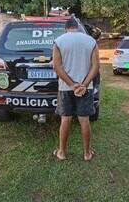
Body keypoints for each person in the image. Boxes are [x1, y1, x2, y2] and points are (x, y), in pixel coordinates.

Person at [52, 18, 100, 161]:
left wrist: (72, 85)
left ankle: (62, 152)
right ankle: (86, 154)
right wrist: (83, 85)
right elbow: (96, 67)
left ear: (66, 28)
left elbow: (57, 67)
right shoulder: (91, 41)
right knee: (84, 120)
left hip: (65, 88)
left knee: (65, 120)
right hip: (86, 88)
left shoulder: (59, 41)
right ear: (77, 28)